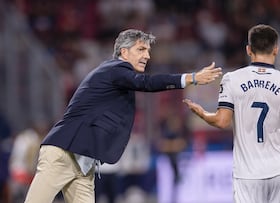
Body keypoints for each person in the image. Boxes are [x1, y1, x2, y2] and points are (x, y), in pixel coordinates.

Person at [24, 29, 222, 203]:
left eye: (148, 51)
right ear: (123, 52)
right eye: (141, 49)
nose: (147, 56)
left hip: (82, 161)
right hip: (64, 153)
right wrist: (191, 78)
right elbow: (147, 83)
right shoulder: (115, 70)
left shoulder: (117, 77)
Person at [183, 24, 280, 203]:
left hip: (247, 174)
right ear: (276, 49)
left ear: (249, 50)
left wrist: (203, 114)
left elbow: (222, 121)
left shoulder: (232, 79)